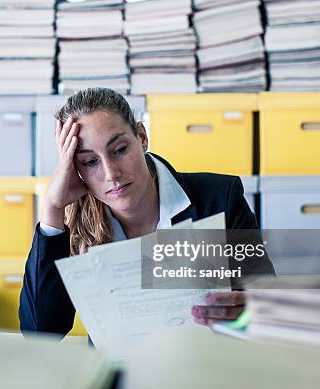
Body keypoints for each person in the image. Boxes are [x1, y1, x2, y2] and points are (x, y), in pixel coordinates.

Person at [19, 87, 275, 336]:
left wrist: (247, 309)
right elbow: (41, 330)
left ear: (141, 137)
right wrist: (52, 210)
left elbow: (266, 304)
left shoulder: (220, 198)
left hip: (206, 368)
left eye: (119, 150)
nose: (111, 174)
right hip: (124, 374)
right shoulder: (72, 224)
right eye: (90, 162)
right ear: (76, 170)